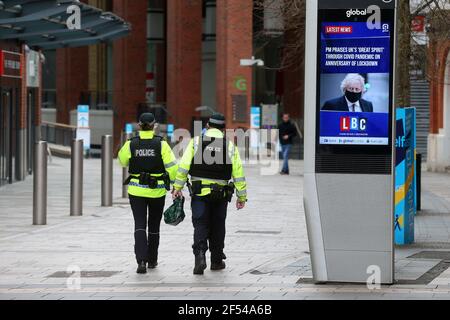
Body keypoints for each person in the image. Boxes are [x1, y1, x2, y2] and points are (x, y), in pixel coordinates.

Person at [172, 113, 247, 275]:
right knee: (218, 225)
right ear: (223, 129)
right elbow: (238, 172)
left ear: (208, 126)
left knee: (200, 223)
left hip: (200, 193)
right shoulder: (229, 145)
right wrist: (242, 196)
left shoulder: (196, 142)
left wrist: (177, 187)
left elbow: (184, 166)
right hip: (221, 195)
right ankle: (217, 260)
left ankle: (199, 257)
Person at [118, 113, 178, 274]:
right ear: (154, 125)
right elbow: (172, 168)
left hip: (136, 190)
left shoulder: (131, 144)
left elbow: (122, 161)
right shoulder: (162, 144)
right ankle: (152, 260)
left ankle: (141, 261)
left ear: (139, 125)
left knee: (139, 225)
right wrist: (176, 185)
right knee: (153, 225)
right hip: (156, 191)